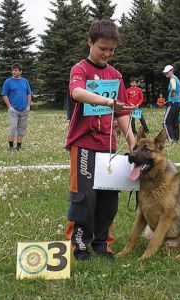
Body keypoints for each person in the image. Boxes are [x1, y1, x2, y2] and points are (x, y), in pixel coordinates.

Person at [65, 19, 135, 261]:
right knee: (84, 197)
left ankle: (101, 243)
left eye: (111, 50)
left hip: (109, 147)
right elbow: (77, 92)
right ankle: (79, 245)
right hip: (83, 144)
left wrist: (132, 140)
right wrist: (106, 101)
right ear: (90, 42)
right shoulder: (80, 69)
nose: (106, 54)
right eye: (102, 48)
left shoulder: (116, 75)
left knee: (108, 200)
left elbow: (123, 112)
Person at [2, 63, 32, 150]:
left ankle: (19, 147)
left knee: (22, 129)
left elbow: (29, 94)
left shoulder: (25, 81)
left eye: (15, 70)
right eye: (12, 70)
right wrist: (9, 106)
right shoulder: (8, 82)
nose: (13, 72)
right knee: (12, 127)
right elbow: (4, 95)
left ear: (20, 71)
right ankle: (11, 147)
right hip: (13, 110)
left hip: (24, 109)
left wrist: (28, 106)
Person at [162, 65, 180, 143]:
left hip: (173, 103)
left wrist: (172, 93)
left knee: (166, 122)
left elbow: (173, 87)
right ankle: (176, 140)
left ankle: (170, 140)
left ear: (172, 71)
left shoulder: (172, 79)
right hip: (177, 103)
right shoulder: (176, 78)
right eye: (165, 72)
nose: (166, 73)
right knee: (175, 122)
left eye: (167, 72)